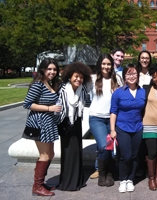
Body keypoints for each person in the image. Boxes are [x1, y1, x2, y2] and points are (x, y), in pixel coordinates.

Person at [23, 58, 61, 196]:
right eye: (49, 69)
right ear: (43, 69)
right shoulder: (38, 84)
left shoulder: (49, 83)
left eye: (54, 69)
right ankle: (37, 186)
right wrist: (49, 108)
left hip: (48, 123)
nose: (52, 72)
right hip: (39, 123)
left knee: (50, 154)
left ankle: (40, 183)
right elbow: (27, 104)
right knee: (45, 155)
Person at [110, 64, 146, 193]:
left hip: (137, 127)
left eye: (134, 74)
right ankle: (123, 179)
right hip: (122, 127)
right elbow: (113, 112)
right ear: (124, 76)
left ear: (138, 76)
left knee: (135, 156)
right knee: (126, 156)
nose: (131, 77)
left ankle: (130, 179)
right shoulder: (118, 92)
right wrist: (112, 129)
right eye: (129, 74)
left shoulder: (142, 91)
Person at [56, 62, 92, 191]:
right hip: (65, 123)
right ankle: (67, 182)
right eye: (76, 76)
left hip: (76, 123)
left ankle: (77, 180)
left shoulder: (82, 90)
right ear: (69, 77)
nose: (78, 79)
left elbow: (88, 102)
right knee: (67, 153)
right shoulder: (62, 90)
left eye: (81, 77)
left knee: (77, 152)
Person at [88, 53, 122, 186]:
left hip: (113, 118)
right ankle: (102, 173)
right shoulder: (92, 79)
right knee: (103, 146)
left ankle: (110, 173)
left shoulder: (117, 78)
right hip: (97, 118)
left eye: (108, 64)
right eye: (103, 64)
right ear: (99, 64)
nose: (106, 66)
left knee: (112, 148)